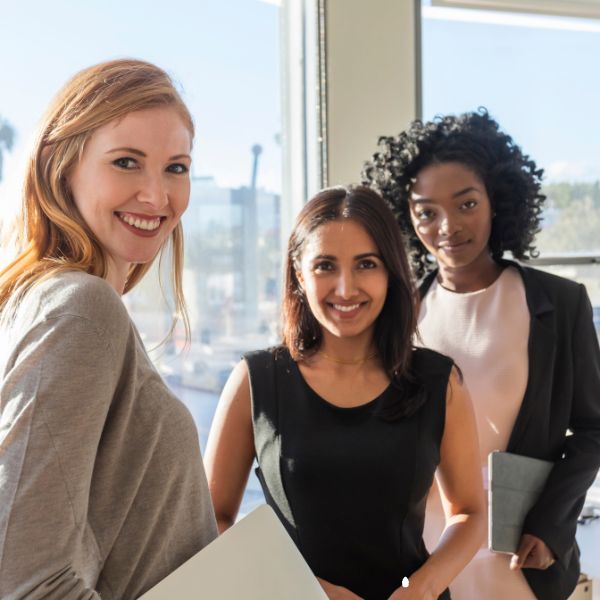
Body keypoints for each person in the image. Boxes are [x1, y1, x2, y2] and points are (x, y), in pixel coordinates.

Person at [0, 59, 217, 599]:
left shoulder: (47, 302)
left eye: (176, 168)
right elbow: (26, 582)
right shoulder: (80, 308)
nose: (156, 195)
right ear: (60, 166)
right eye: (126, 162)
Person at [362, 109, 600, 600]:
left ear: (497, 199)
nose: (448, 226)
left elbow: (595, 429)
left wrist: (551, 525)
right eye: (426, 211)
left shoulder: (559, 304)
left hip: (521, 557)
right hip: (422, 559)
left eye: (466, 203)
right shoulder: (396, 314)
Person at [205, 185, 485, 600]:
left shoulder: (438, 382)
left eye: (366, 264)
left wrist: (422, 588)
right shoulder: (256, 380)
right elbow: (211, 518)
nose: (345, 287)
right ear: (299, 275)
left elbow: (470, 512)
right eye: (324, 266)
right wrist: (301, 589)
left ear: (390, 271)